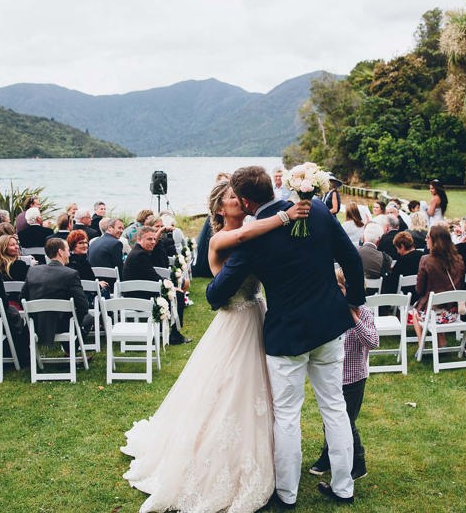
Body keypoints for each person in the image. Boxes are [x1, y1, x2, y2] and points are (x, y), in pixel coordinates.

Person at [121, 178, 309, 512]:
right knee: (229, 389)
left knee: (264, 389)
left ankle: (271, 454)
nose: (239, 199)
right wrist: (284, 216)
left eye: (240, 196)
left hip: (257, 314)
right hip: (235, 320)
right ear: (220, 207)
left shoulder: (254, 227)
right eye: (233, 196)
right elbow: (242, 237)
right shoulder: (222, 236)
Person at [206, 165, 365, 507]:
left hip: (287, 335)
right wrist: (354, 301)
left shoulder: (254, 237)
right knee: (335, 406)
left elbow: (218, 293)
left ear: (246, 201)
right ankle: (343, 487)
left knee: (288, 415)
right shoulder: (318, 209)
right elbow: (351, 257)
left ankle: (287, 493)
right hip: (328, 325)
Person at [309, 268, 378, 480]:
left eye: (340, 288)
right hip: (331, 375)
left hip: (353, 377)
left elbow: (373, 342)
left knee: (346, 421)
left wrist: (353, 319)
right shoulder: (329, 309)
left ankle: (359, 462)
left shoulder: (363, 312)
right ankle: (329, 455)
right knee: (330, 417)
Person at [122, 226, 190, 343]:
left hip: (139, 292)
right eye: (149, 239)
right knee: (177, 296)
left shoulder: (138, 252)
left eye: (154, 239)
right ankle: (175, 335)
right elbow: (154, 278)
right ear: (139, 239)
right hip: (138, 297)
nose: (153, 242)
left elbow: (151, 276)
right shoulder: (140, 255)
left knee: (174, 293)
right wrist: (173, 288)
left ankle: (171, 331)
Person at [21, 238, 93, 345]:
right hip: (61, 325)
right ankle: (70, 349)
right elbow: (83, 305)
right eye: (68, 250)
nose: (69, 254)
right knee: (88, 318)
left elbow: (22, 298)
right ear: (60, 252)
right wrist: (73, 320)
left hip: (36, 324)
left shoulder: (33, 270)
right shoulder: (71, 274)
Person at [410, 225, 464, 348]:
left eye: (428, 237)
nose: (425, 240)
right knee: (435, 307)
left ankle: (421, 343)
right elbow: (461, 285)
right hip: (453, 313)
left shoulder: (426, 260)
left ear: (435, 241)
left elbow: (419, 289)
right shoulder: (459, 260)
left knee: (415, 312)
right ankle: (441, 341)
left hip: (433, 313)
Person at [382, 230, 424, 301]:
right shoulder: (422, 256)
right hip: (421, 294)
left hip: (406, 296)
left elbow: (393, 281)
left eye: (397, 248)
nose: (397, 252)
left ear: (402, 246)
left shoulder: (402, 260)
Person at [88, 217, 125, 291]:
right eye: (119, 228)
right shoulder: (116, 243)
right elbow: (119, 267)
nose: (121, 231)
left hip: (95, 282)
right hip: (110, 285)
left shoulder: (94, 242)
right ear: (110, 228)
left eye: (123, 229)